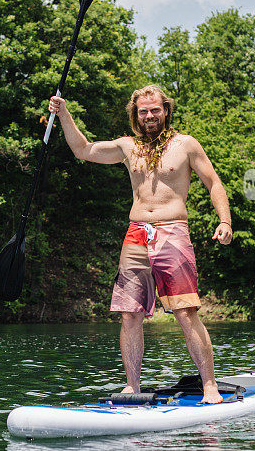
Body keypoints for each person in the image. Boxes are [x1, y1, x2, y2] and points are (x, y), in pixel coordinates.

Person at [48, 84, 233, 403]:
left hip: (172, 229)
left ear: (166, 111)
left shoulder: (186, 144)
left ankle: (209, 386)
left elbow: (213, 182)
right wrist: (63, 113)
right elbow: (83, 149)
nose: (149, 115)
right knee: (129, 313)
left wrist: (225, 220)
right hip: (137, 233)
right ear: (135, 114)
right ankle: (132, 386)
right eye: (143, 111)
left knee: (185, 311)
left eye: (155, 110)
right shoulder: (127, 146)